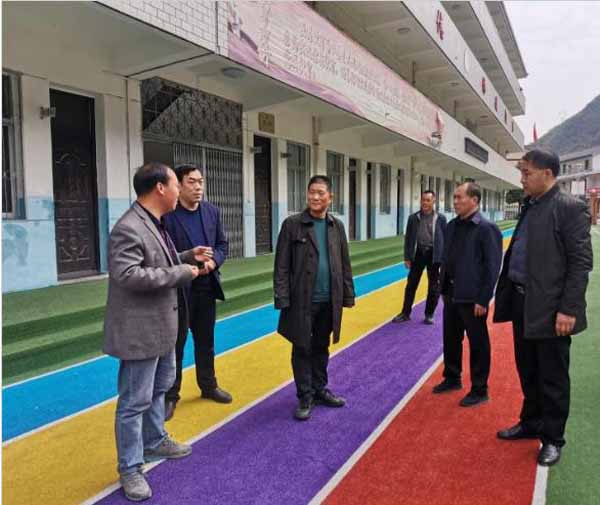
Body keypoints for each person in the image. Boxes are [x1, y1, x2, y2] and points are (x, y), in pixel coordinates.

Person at [103, 162, 213, 502]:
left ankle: (154, 440)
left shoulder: (154, 221)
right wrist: (183, 272)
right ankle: (130, 468)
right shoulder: (128, 227)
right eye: (176, 184)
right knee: (134, 401)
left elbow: (157, 260)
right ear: (160, 188)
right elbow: (128, 275)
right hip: (140, 330)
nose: (181, 190)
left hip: (163, 325)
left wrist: (185, 256)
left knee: (160, 387)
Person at [495, 150, 592, 466]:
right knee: (528, 369)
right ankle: (531, 422)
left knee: (552, 376)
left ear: (547, 174)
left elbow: (580, 263)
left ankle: (552, 438)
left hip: (551, 309)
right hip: (523, 302)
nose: (522, 179)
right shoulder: (531, 205)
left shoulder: (569, 208)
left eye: (527, 173)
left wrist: (569, 309)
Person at [274, 175, 355, 421]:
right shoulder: (292, 225)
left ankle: (320, 389)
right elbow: (281, 266)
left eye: (320, 193)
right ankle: (305, 395)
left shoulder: (336, 226)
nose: (315, 197)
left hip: (329, 299)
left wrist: (348, 293)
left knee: (321, 346)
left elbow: (344, 262)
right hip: (302, 300)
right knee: (301, 346)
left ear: (331, 197)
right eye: (312, 192)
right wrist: (282, 298)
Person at [163, 164, 232, 422]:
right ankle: (171, 395)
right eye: (192, 182)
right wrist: (188, 264)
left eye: (200, 181)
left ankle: (208, 385)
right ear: (179, 186)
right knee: (176, 344)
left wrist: (214, 263)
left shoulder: (212, 212)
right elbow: (164, 254)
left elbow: (223, 245)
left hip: (206, 287)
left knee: (206, 341)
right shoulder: (168, 216)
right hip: (179, 291)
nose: (198, 187)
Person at [433, 182, 502, 407]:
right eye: (454, 197)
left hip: (473, 297)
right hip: (451, 292)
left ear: (474, 200)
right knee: (451, 338)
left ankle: (480, 389)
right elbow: (447, 258)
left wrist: (483, 298)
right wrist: (442, 286)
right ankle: (452, 377)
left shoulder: (486, 228)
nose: (455, 201)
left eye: (459, 197)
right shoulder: (452, 225)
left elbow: (492, 267)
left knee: (478, 343)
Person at [393, 190, 447, 325]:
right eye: (423, 200)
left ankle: (429, 314)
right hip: (418, 253)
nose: (425, 203)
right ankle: (405, 313)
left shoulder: (441, 219)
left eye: (428, 200)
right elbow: (408, 239)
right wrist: (407, 257)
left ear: (433, 201)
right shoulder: (413, 218)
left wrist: (443, 258)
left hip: (434, 255)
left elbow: (445, 239)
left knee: (433, 286)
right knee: (411, 284)